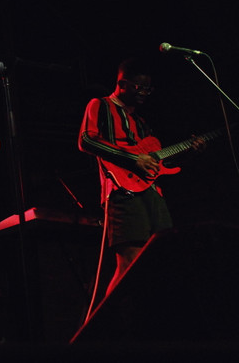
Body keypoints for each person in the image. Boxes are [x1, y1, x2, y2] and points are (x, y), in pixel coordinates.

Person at [79, 58, 203, 297]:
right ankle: (110, 324)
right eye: (139, 87)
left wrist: (189, 154)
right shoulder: (100, 105)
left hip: (153, 193)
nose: (145, 93)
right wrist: (132, 160)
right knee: (130, 262)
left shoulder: (142, 122)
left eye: (148, 89)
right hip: (121, 191)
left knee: (163, 256)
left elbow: (160, 164)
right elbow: (86, 140)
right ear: (122, 84)